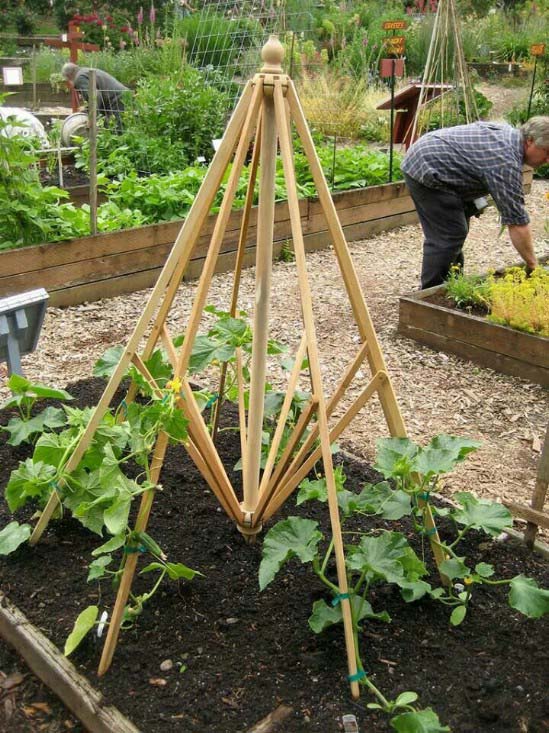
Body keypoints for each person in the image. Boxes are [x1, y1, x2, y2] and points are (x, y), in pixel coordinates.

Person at [401, 116, 549, 289]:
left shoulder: (510, 139)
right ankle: (429, 294)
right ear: (530, 141)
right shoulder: (504, 160)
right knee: (449, 234)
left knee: (455, 230)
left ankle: (453, 285)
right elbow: (516, 222)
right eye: (547, 151)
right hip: (427, 167)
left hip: (437, 162)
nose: (548, 160)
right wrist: (533, 266)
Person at [61, 62, 129, 132]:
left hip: (116, 99)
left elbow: (95, 96)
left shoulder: (79, 79)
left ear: (68, 76)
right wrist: (87, 108)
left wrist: (91, 119)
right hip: (122, 96)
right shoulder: (84, 72)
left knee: (117, 131)